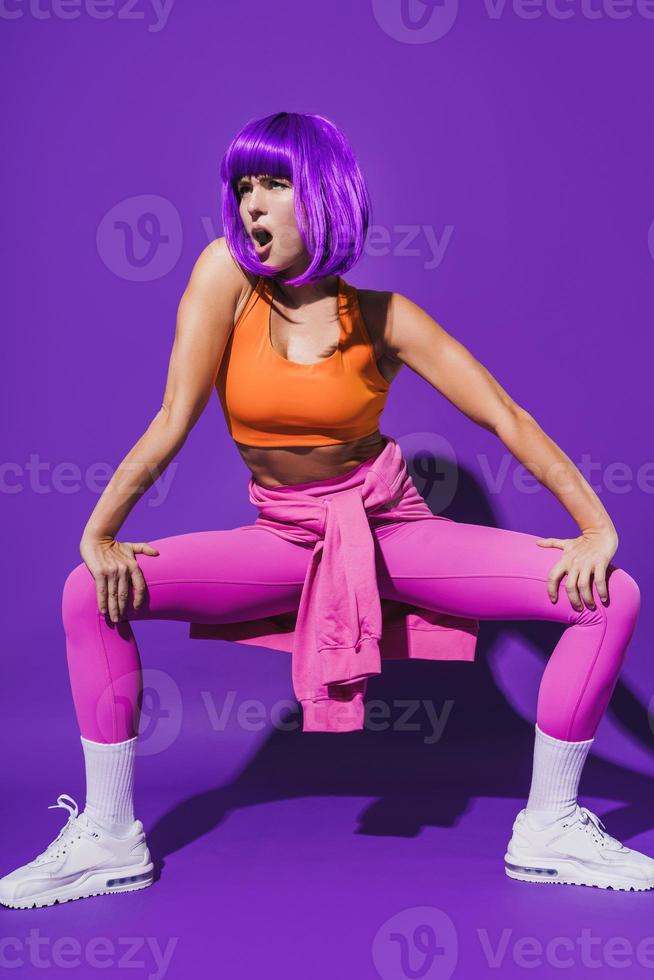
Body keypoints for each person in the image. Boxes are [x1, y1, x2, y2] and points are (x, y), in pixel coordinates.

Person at [1, 110, 650, 910]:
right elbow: (174, 416)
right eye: (244, 186)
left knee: (610, 594)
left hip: (394, 532)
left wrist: (596, 527)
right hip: (286, 536)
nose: (252, 205)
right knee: (85, 592)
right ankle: (108, 835)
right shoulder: (225, 282)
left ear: (324, 195)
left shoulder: (383, 317)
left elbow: (505, 416)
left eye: (274, 184)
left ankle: (551, 826)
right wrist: (101, 531)